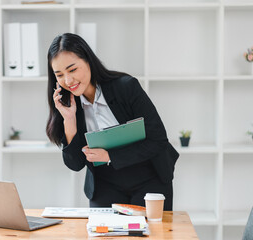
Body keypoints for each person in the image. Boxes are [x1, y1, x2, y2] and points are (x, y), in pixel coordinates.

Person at [46, 33, 179, 210]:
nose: (68, 81)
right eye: (60, 75)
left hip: (149, 176)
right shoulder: (68, 104)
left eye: (72, 70)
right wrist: (69, 119)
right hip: (105, 184)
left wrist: (109, 156)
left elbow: (158, 140)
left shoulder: (126, 87)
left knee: (149, 235)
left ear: (88, 61)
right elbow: (75, 164)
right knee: (102, 235)